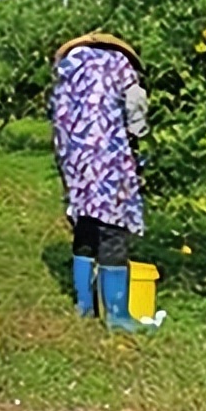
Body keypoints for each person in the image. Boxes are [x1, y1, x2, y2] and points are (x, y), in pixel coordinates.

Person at [49, 32, 150, 333]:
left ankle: (85, 305)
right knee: (112, 231)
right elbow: (136, 109)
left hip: (75, 159)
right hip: (108, 157)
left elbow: (58, 118)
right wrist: (138, 135)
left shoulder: (68, 70)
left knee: (86, 225)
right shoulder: (119, 65)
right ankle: (117, 316)